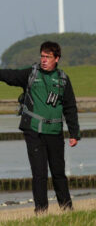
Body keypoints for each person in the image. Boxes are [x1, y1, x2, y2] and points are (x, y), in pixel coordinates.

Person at [0, 41, 80, 213]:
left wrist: (74, 133)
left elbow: (70, 107)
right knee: (39, 174)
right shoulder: (31, 74)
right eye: (42, 56)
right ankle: (41, 212)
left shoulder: (64, 80)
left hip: (55, 132)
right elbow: (9, 75)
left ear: (56, 58)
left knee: (58, 173)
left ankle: (67, 209)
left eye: (48, 57)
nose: (44, 60)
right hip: (34, 132)